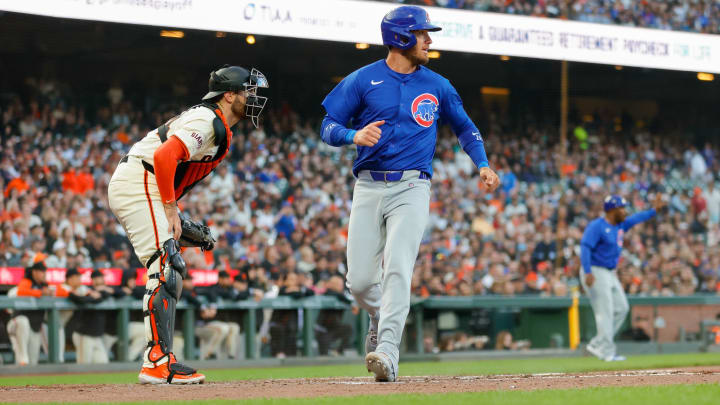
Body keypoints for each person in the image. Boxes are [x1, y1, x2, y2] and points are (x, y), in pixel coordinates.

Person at [320, 6, 499, 381]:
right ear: (400, 38)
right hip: (368, 184)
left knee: (399, 267)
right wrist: (353, 135)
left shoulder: (438, 84)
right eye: (422, 34)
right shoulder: (362, 79)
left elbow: (465, 128)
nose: (429, 40)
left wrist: (481, 162)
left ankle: (387, 350)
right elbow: (328, 125)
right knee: (360, 281)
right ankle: (379, 316)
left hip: (413, 185)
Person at [107, 65, 268, 384]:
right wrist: (169, 208)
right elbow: (166, 156)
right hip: (142, 180)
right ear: (229, 95)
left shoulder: (217, 123)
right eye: (248, 91)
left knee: (169, 265)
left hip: (145, 183)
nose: (253, 97)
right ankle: (157, 361)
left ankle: (159, 359)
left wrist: (177, 218)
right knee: (164, 265)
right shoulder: (208, 119)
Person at [580, 194, 665, 361]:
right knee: (605, 311)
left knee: (622, 308)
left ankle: (598, 343)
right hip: (595, 271)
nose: (625, 211)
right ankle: (607, 351)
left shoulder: (620, 225)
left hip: (609, 272)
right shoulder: (597, 226)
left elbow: (636, 218)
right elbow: (585, 247)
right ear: (612, 210)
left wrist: (653, 211)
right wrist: (588, 271)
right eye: (622, 208)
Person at [7, 261, 68, 365]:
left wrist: (50, 292)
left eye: (45, 271)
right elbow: (21, 291)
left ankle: (26, 376)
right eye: (41, 271)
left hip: (34, 327)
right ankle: (22, 360)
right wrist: (40, 293)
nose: (44, 274)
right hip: (16, 323)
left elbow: (65, 293)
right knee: (23, 322)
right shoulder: (27, 281)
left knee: (32, 361)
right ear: (34, 272)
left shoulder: (45, 285)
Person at [68, 270, 112, 364]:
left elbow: (105, 295)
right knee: (83, 365)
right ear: (93, 279)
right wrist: (94, 296)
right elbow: (81, 300)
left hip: (96, 335)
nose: (100, 280)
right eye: (98, 278)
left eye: (101, 277)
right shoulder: (86, 289)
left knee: (103, 362)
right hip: (83, 334)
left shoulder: (103, 291)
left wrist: (99, 294)